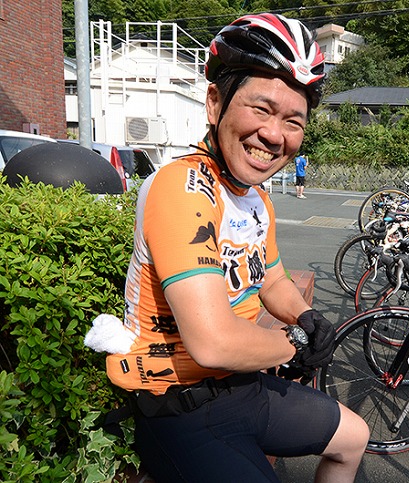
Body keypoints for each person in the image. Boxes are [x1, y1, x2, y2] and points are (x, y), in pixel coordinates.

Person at [102, 14, 369, 482]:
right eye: (261, 109)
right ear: (214, 103)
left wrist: (305, 317)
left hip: (243, 389)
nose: (274, 134)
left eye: (293, 121)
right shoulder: (182, 187)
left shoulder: (254, 197)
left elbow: (273, 278)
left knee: (353, 437)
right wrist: (292, 347)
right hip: (181, 409)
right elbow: (213, 342)